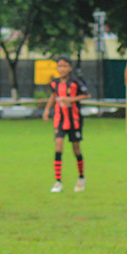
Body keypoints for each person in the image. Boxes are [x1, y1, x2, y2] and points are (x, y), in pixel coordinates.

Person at [42, 55, 90, 192]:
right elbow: (53, 96)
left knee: (76, 148)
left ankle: (81, 177)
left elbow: (87, 95)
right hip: (59, 120)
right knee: (58, 146)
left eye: (64, 66)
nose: (62, 69)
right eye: (60, 66)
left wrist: (70, 100)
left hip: (74, 121)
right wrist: (47, 110)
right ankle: (58, 181)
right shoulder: (54, 83)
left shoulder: (76, 81)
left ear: (69, 67)